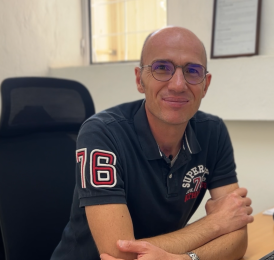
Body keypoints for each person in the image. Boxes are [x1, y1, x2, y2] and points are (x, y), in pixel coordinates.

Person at [51, 26, 254, 260]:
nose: (178, 84)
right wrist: (214, 225)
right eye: (162, 68)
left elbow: (238, 239)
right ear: (140, 80)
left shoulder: (213, 132)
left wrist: (184, 259)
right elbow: (119, 253)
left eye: (193, 71)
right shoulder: (102, 133)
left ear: (205, 85)